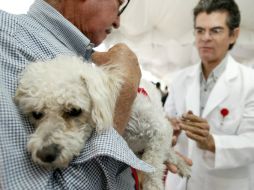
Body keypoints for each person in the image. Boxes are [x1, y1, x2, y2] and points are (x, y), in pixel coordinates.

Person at [164, 0, 254, 190]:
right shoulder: (181, 79)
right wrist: (169, 131)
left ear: (234, 35)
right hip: (181, 181)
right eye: (199, 30)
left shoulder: (249, 82)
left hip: (225, 184)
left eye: (215, 30)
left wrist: (213, 142)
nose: (205, 37)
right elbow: (165, 121)